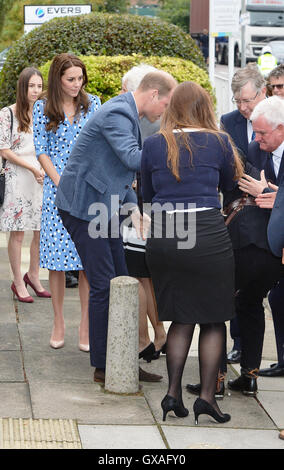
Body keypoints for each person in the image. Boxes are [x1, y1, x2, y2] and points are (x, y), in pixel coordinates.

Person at [55, 70, 177, 383]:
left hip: (102, 206)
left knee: (121, 279)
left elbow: (120, 172)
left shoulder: (126, 113)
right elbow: (133, 159)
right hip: (82, 207)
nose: (165, 110)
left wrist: (134, 210)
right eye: (165, 103)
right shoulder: (119, 114)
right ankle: (104, 365)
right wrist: (176, 147)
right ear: (152, 95)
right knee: (103, 285)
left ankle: (121, 357)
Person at [141, 81, 243, 424]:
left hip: (165, 235)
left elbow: (148, 193)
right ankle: (206, 399)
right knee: (214, 317)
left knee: (182, 315)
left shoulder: (154, 143)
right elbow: (231, 188)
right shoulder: (220, 142)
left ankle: (172, 394)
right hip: (205, 232)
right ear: (205, 107)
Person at [33, 53, 101, 351]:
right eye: (70, 79)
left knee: (87, 261)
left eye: (80, 78)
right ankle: (59, 321)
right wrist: (60, 181)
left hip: (88, 191)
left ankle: (85, 326)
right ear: (57, 79)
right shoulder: (41, 108)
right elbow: (41, 150)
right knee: (56, 262)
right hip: (56, 192)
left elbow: (100, 145)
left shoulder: (93, 104)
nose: (77, 84)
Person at [235, 96, 284, 382]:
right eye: (255, 131)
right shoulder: (255, 149)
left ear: (282, 129)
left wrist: (274, 196)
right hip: (265, 244)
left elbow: (268, 195)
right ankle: (250, 373)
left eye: (263, 133)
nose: (256, 138)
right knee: (250, 300)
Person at [220, 63, 267, 364]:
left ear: (263, 93)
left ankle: (252, 362)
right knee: (236, 288)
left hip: (272, 214)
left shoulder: (278, 117)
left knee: (258, 294)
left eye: (248, 100)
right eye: (238, 101)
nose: (243, 107)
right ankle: (238, 346)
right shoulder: (228, 122)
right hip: (239, 214)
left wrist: (266, 188)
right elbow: (226, 166)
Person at [121, 64, 167, 362]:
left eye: (127, 90)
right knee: (144, 275)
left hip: (138, 204)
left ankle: (144, 340)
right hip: (148, 203)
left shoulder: (143, 119)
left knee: (136, 274)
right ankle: (159, 333)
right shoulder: (156, 116)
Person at [0, 67, 50, 303]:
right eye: (32, 86)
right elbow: (4, 150)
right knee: (18, 233)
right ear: (23, 87)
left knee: (40, 231)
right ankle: (18, 281)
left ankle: (34, 275)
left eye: (39, 86)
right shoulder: (7, 114)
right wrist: (31, 168)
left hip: (41, 178)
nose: (36, 91)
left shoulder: (43, 113)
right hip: (18, 178)